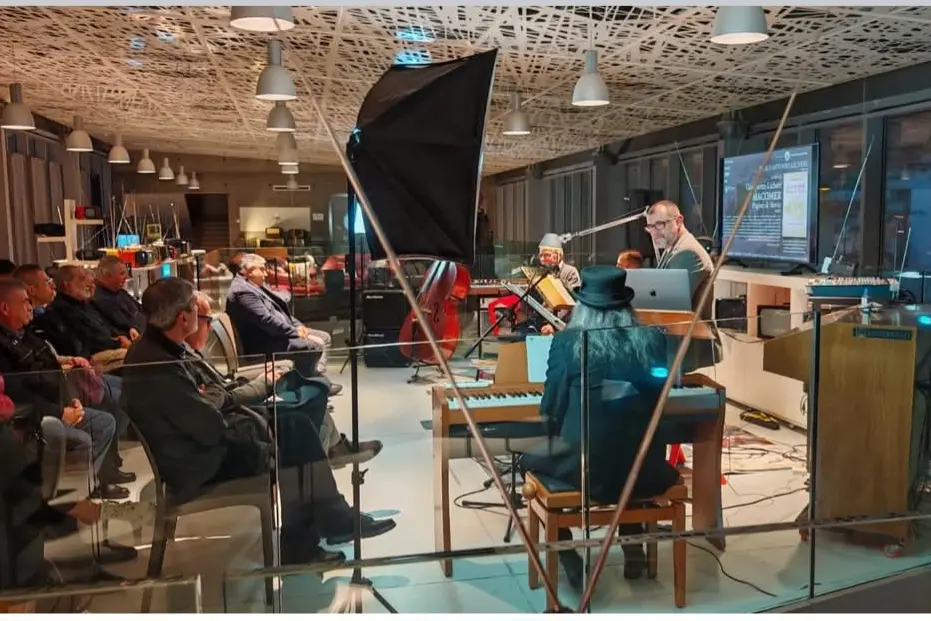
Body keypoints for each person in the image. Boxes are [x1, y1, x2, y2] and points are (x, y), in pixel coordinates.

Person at [122, 278, 364, 564]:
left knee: (296, 424)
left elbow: (210, 397)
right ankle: (317, 531)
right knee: (294, 446)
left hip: (199, 447)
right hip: (200, 463)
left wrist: (213, 395)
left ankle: (327, 522)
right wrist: (215, 395)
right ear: (183, 317)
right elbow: (209, 423)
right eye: (194, 308)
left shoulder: (162, 348)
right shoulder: (159, 365)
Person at [182, 292, 393, 543]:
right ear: (184, 319)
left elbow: (214, 394)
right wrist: (254, 387)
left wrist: (229, 389)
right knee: (297, 426)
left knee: (304, 410)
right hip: (208, 458)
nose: (204, 325)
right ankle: (319, 525)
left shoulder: (178, 352)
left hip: (219, 434)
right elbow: (211, 403)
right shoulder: (171, 360)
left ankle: (312, 531)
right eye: (204, 319)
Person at [521, 266, 679, 589]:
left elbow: (550, 410)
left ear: (583, 307)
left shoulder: (568, 343)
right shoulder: (651, 340)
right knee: (627, 445)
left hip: (586, 470)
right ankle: (633, 545)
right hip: (644, 470)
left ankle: (567, 554)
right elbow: (657, 405)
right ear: (627, 305)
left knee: (524, 461)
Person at [189, 293, 382, 468]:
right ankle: (321, 473)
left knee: (313, 396)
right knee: (306, 411)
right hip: (239, 410)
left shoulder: (191, 352)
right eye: (207, 321)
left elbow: (220, 389)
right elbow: (216, 400)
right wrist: (263, 382)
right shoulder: (243, 293)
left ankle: (333, 452)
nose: (208, 327)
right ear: (187, 320)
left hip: (236, 394)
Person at [0, 279, 132, 501]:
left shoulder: (25, 335)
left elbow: (52, 368)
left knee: (105, 421)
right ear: (5, 308)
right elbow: (18, 393)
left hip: (58, 402)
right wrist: (58, 412)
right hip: (31, 418)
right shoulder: (4, 347)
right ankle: (66, 504)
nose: (30, 307)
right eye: (24, 302)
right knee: (82, 438)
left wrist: (71, 402)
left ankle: (85, 489)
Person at [226, 253, 338, 391]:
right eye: (261, 269)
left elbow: (281, 312)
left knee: (324, 337)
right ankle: (310, 385)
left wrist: (299, 327)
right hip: (264, 342)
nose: (265, 274)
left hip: (275, 334)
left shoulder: (254, 285)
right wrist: (294, 332)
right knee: (311, 346)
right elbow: (266, 321)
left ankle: (316, 379)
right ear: (247, 271)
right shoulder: (243, 291)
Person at [644, 200, 722, 371]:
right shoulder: (673, 248)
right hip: (671, 342)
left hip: (683, 345)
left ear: (678, 221)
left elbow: (669, 303)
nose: (654, 233)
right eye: (650, 227)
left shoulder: (688, 252)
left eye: (659, 225)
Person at [487, 235, 581, 336]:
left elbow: (571, 305)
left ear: (557, 254)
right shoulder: (541, 273)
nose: (542, 259)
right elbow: (529, 305)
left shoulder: (570, 272)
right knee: (512, 334)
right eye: (540, 255)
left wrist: (553, 325)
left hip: (560, 324)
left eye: (546, 255)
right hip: (540, 320)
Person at [31, 265, 132, 359]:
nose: (87, 284)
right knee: (134, 355)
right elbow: (89, 339)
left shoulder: (84, 304)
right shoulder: (62, 309)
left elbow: (106, 324)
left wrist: (121, 336)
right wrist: (118, 343)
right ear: (67, 285)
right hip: (93, 355)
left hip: (110, 345)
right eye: (82, 279)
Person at [92, 256, 146, 337]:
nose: (126, 277)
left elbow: (141, 310)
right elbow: (126, 325)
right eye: (122, 273)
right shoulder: (101, 300)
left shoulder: (119, 291)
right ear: (107, 275)